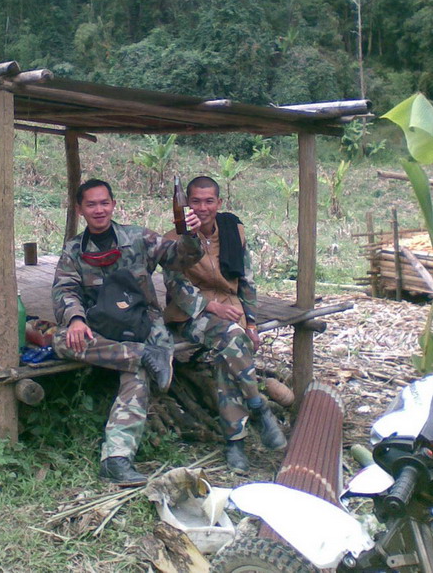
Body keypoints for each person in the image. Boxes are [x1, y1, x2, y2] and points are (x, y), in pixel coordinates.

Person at [51, 178, 202, 486]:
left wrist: (190, 235)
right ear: (80, 209)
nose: (99, 210)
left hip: (140, 322)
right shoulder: (74, 250)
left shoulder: (138, 237)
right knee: (61, 339)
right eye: (91, 204)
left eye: (104, 203)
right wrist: (76, 319)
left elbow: (180, 257)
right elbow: (64, 289)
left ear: (114, 205)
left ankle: (116, 459)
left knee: (139, 373)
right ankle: (142, 355)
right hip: (100, 327)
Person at [163, 175, 286, 473]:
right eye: (195, 201)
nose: (202, 208)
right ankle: (258, 406)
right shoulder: (173, 238)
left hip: (231, 311)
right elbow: (176, 285)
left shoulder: (233, 232)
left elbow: (247, 280)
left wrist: (252, 323)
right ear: (185, 204)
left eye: (209, 201)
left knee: (227, 354)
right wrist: (209, 305)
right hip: (190, 315)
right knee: (232, 337)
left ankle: (235, 443)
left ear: (219, 203)